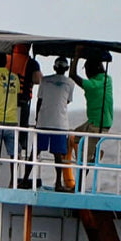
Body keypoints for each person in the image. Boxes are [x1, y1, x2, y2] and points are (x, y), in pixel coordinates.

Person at [34, 56, 76, 191]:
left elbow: (39, 101)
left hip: (44, 121)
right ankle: (58, 183)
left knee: (35, 152)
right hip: (59, 123)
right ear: (67, 69)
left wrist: (37, 119)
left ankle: (24, 179)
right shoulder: (70, 83)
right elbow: (67, 101)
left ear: (54, 67)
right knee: (58, 155)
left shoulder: (44, 80)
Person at [67, 46, 114, 165]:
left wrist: (77, 55)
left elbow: (72, 75)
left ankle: (91, 159)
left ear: (92, 70)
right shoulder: (107, 79)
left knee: (84, 161)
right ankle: (93, 154)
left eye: (87, 70)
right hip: (95, 121)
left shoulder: (92, 85)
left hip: (97, 125)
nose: (86, 73)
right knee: (76, 135)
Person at [8, 44, 43, 186]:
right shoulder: (31, 62)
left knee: (7, 139)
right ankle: (14, 178)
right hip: (22, 103)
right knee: (20, 141)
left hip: (7, 103)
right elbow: (38, 80)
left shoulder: (7, 58)